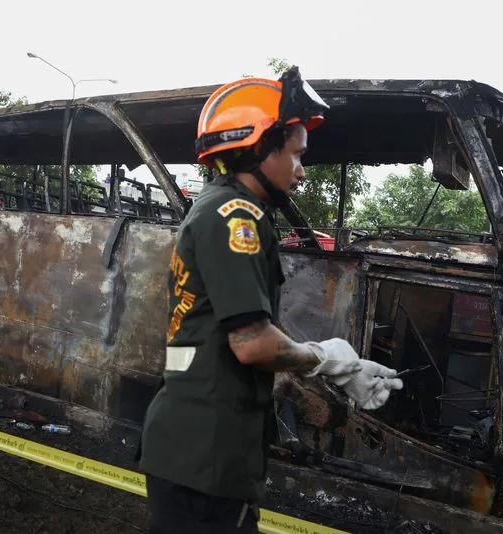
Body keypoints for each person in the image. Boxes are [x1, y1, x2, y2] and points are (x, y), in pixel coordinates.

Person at [138, 67, 403, 533]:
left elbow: (237, 340)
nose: (301, 171)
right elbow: (253, 344)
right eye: (297, 154)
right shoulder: (232, 218)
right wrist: (328, 360)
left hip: (201, 449)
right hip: (205, 456)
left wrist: (334, 367)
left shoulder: (224, 211)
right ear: (259, 146)